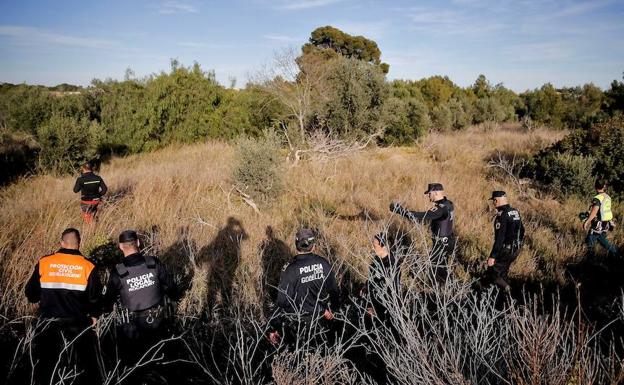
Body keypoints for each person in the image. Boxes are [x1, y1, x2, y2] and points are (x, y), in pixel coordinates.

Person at [24, 228, 102, 385]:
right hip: (77, 326)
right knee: (83, 368)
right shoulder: (88, 266)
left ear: (62, 243)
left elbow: (31, 294)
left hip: (47, 323)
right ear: (79, 244)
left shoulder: (44, 262)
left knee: (45, 367)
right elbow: (95, 299)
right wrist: (93, 316)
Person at [101, 230, 177, 362]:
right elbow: (172, 288)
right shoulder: (153, 262)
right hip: (159, 322)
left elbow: (108, 302)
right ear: (138, 242)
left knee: (137, 363)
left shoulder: (118, 272)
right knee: (163, 361)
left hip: (132, 327)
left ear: (120, 246)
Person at [269, 228, 340, 346]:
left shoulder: (290, 269)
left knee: (301, 356)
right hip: (322, 320)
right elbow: (334, 292)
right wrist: (333, 311)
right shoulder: (323, 263)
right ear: (313, 246)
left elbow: (282, 301)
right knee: (323, 353)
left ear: (296, 245)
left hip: (297, 324)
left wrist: (273, 326)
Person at [390, 183, 455, 282]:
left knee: (433, 269)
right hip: (448, 240)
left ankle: (439, 292)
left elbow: (421, 215)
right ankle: (448, 286)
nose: (428, 196)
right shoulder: (449, 203)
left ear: (436, 193)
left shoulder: (440, 209)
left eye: (429, 193)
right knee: (442, 266)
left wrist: (400, 210)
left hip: (441, 243)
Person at [486, 191, 525, 291]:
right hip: (516, 249)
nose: (493, 204)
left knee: (492, 273)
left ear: (496, 200)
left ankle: (508, 290)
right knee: (503, 272)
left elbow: (500, 238)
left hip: (506, 249)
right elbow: (522, 230)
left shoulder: (502, 215)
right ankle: (502, 298)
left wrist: (492, 256)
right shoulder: (514, 211)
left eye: (493, 201)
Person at [361, 233, 401, 322]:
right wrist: (366, 286)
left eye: (375, 246)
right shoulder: (376, 259)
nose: (373, 248)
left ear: (383, 247)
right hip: (372, 299)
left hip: (385, 306)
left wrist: (377, 310)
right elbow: (372, 277)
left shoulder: (392, 265)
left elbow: (392, 291)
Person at [583, 179, 619, 259]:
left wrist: (587, 221)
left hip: (598, 224)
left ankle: (590, 259)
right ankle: (616, 253)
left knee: (590, 241)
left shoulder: (597, 198)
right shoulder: (608, 197)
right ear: (604, 186)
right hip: (606, 223)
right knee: (602, 239)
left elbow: (595, 211)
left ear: (595, 186)